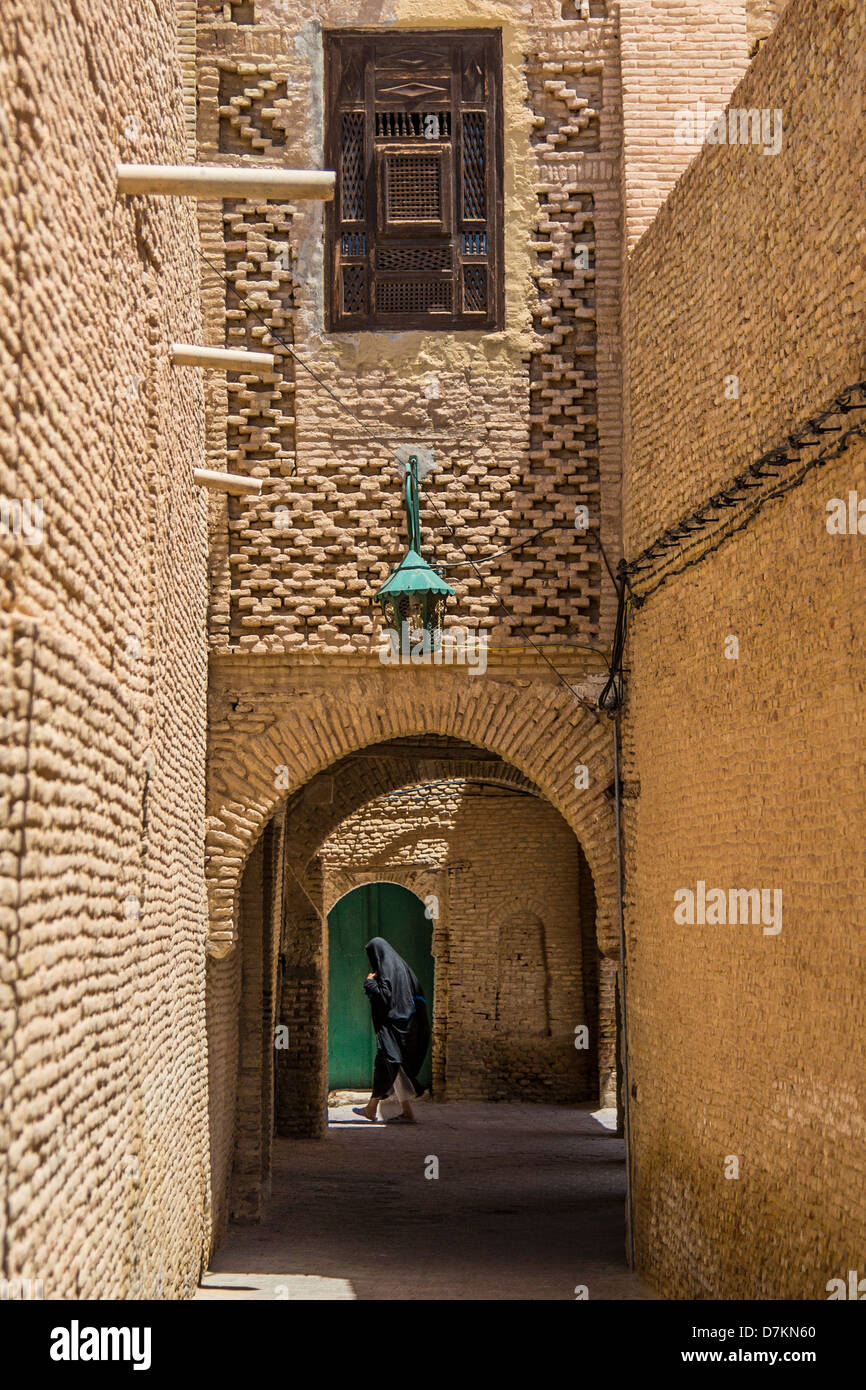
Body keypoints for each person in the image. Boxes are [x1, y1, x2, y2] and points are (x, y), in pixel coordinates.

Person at [353, 936, 430, 1124]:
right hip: (408, 1026)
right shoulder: (402, 968)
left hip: (395, 1027)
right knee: (396, 1067)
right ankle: (406, 1112)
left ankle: (371, 1109)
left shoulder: (386, 969)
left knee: (386, 1063)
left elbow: (384, 996)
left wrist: (370, 982)